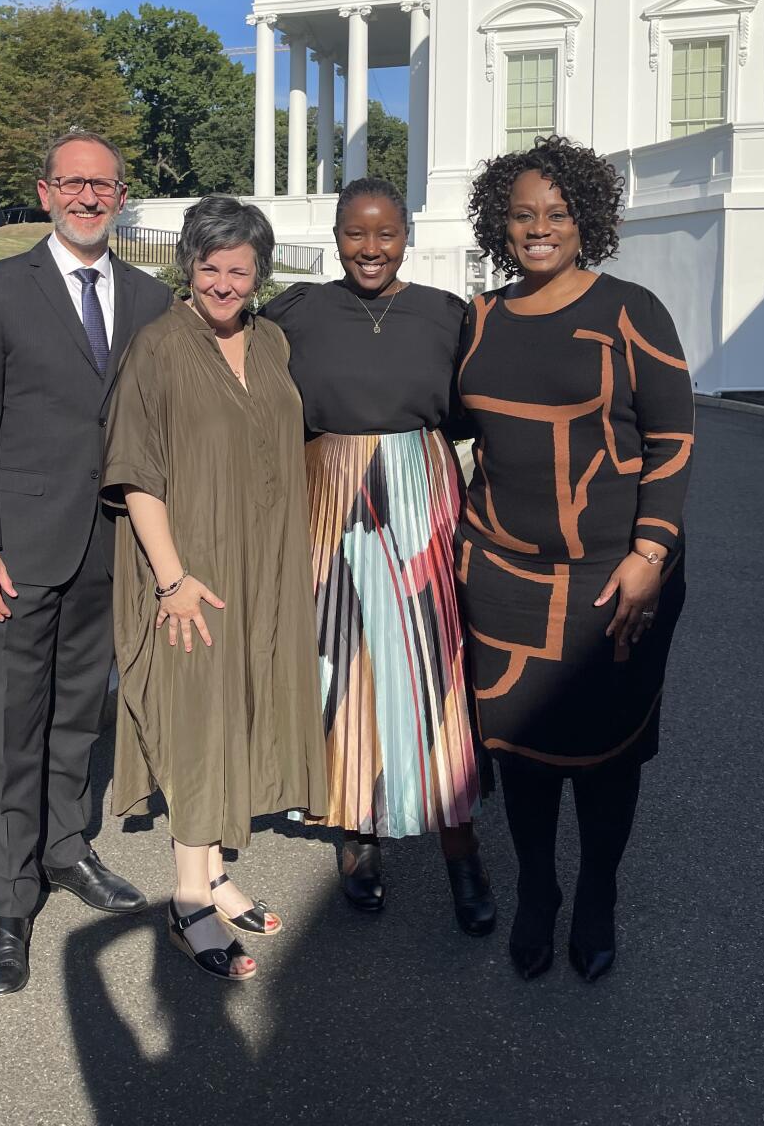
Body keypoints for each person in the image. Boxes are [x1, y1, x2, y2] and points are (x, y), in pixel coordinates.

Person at [457, 135, 694, 983]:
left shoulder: (631, 311)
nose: (539, 228)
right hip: (505, 581)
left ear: (585, 220)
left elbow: (672, 439)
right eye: (522, 215)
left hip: (614, 584)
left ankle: (596, 894)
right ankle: (537, 893)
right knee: (521, 754)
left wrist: (650, 553)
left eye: (557, 213)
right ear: (499, 224)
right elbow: (434, 421)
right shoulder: (478, 320)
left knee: (604, 755)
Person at [0, 132, 172, 998]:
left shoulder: (152, 300)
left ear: (121, 196)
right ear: (44, 191)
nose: (86, 196)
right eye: (71, 183)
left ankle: (67, 851)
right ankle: (8, 905)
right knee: (12, 728)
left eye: (102, 184)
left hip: (108, 548)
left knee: (80, 715)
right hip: (16, 550)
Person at [102, 196, 326, 983]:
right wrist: (173, 580)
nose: (225, 283)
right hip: (187, 574)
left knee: (239, 711)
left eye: (240, 268)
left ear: (259, 272)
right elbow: (136, 474)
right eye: (211, 267)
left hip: (259, 567)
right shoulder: (158, 347)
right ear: (187, 267)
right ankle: (189, 897)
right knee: (197, 721)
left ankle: (218, 872)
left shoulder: (270, 344)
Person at [262, 178, 493, 930]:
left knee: (435, 669)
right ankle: (357, 831)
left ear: (406, 236)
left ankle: (460, 841)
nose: (371, 249)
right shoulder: (294, 313)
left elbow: (477, 416)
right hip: (327, 496)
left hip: (420, 499)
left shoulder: (447, 315)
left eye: (386, 234)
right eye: (357, 234)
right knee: (343, 664)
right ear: (336, 235)